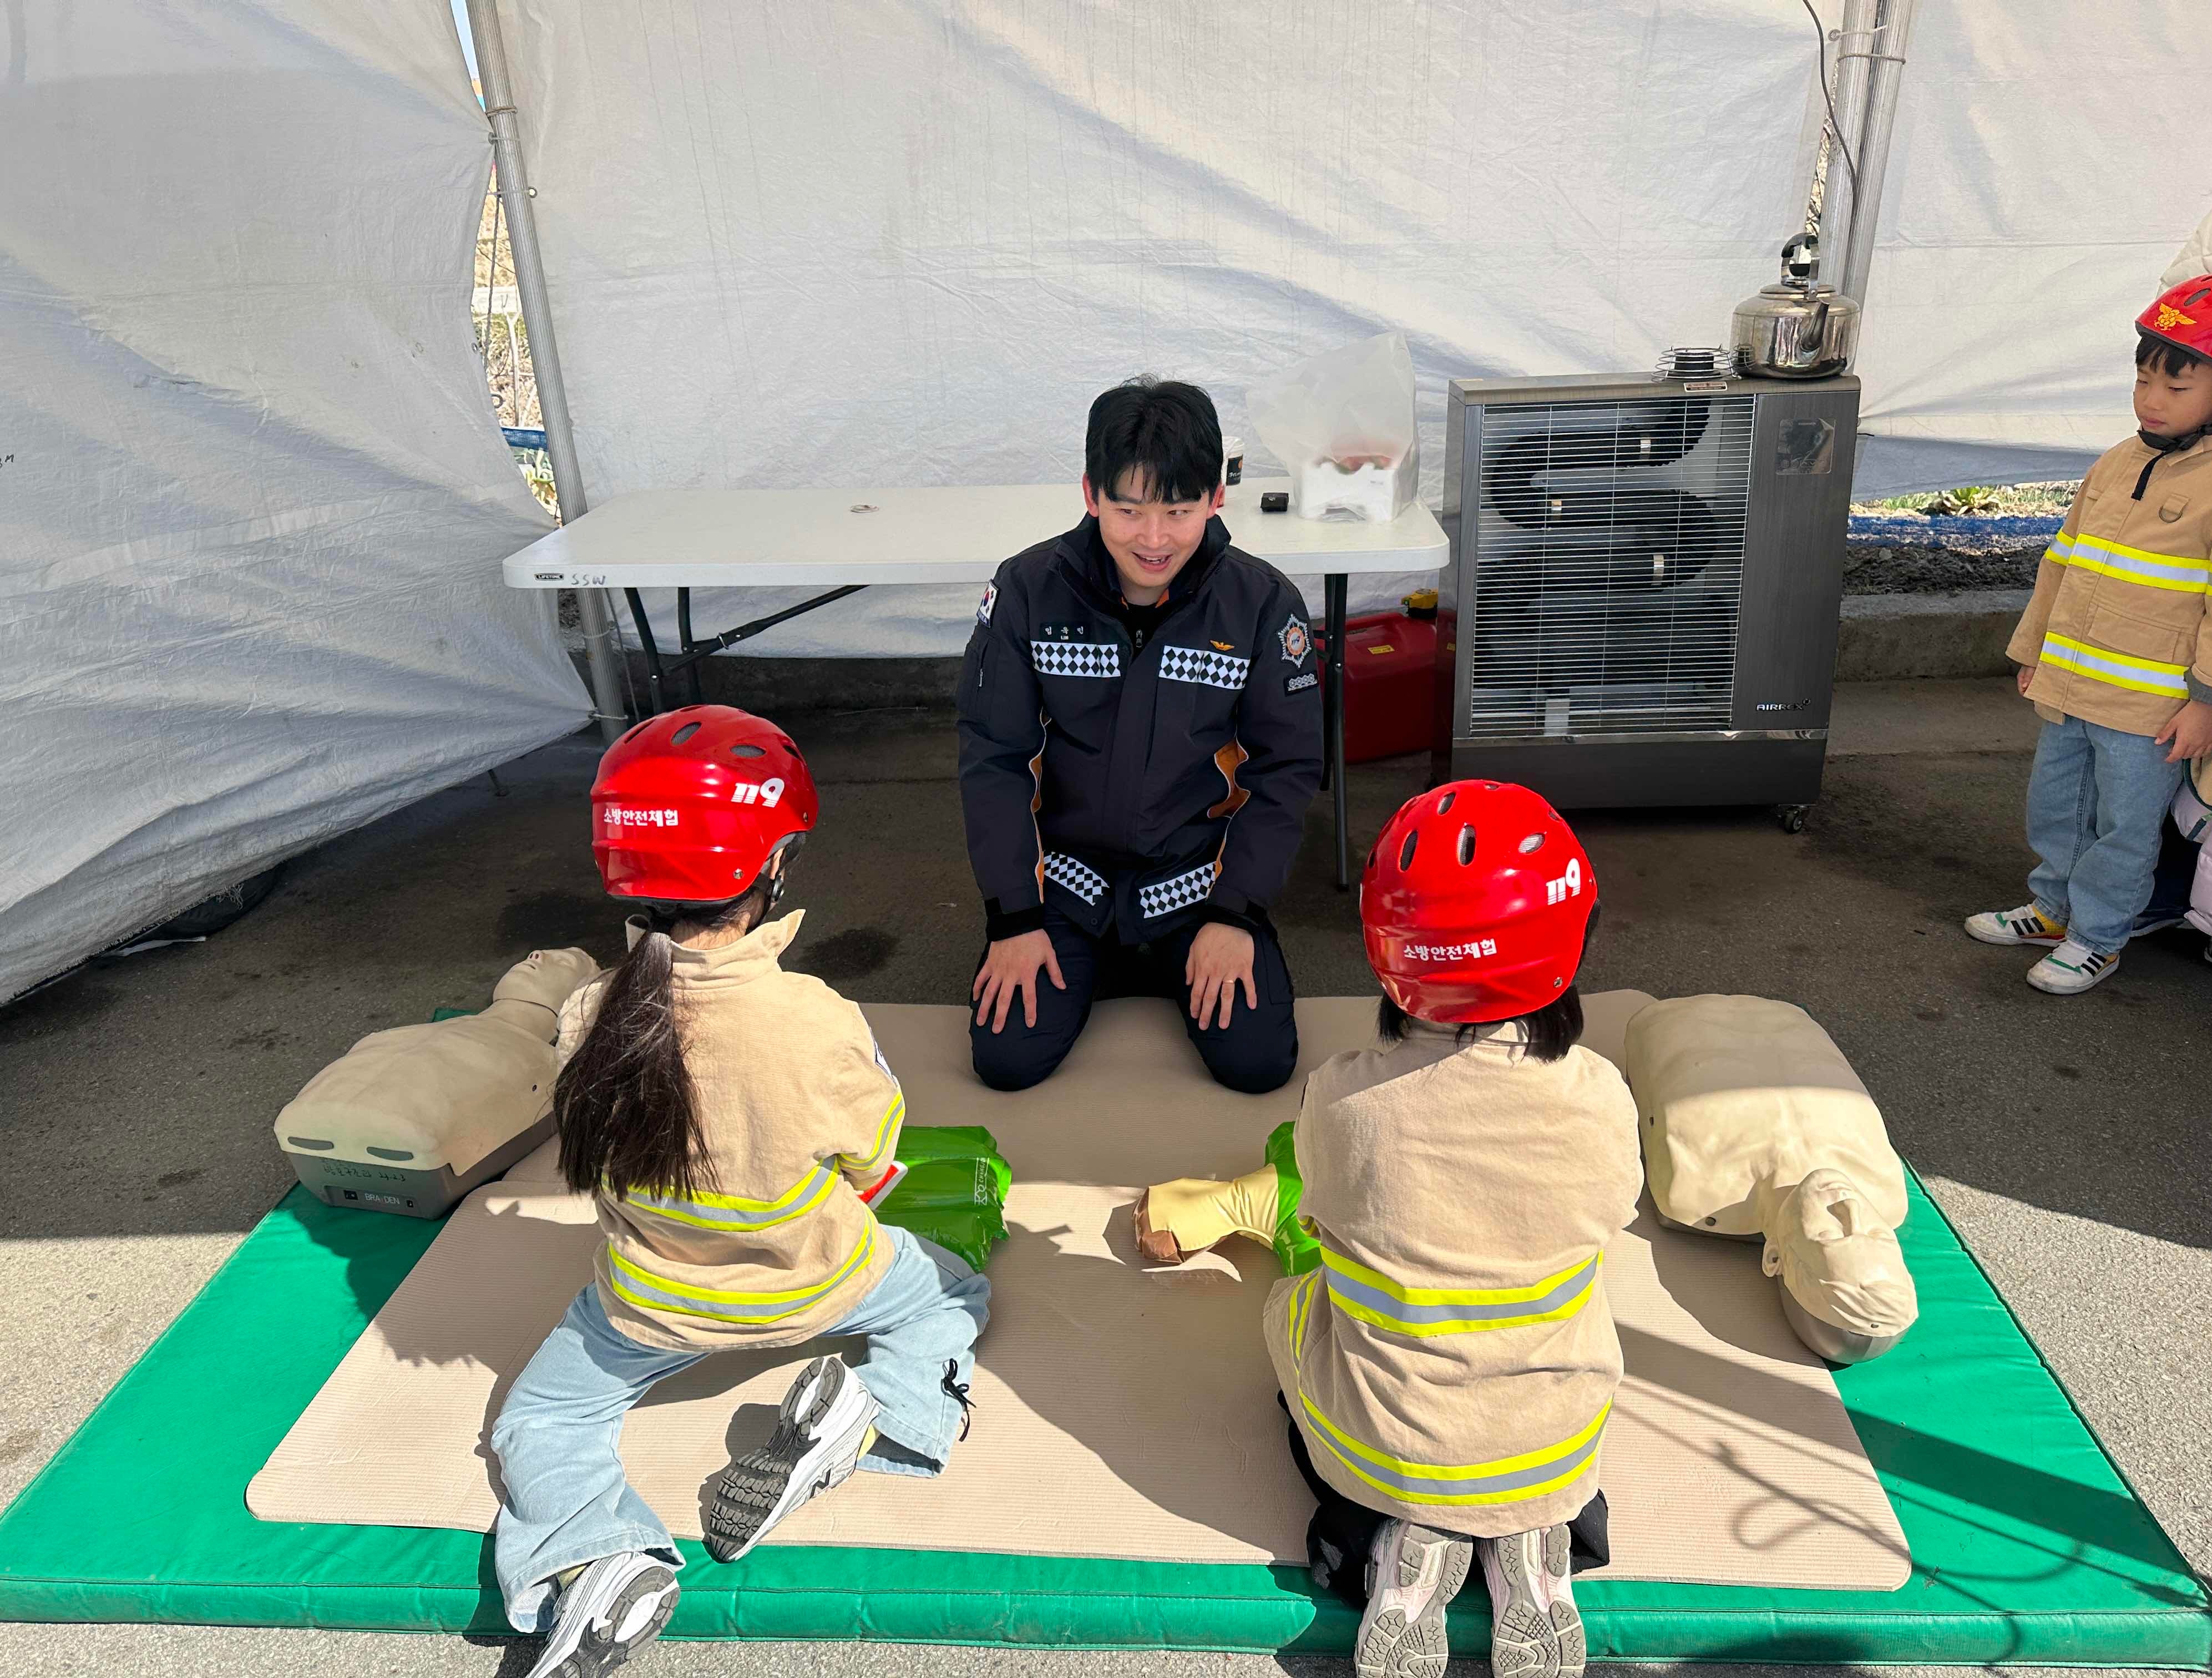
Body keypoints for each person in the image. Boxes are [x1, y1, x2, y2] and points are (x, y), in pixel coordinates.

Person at [492, 706, 990, 1678]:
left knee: (542, 1421)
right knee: (956, 1289)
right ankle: (880, 1412)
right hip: (822, 1282)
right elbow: (873, 1159)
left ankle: (599, 1553)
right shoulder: (814, 1016)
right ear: (772, 868)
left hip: (648, 1308)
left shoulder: (590, 1011)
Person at [1141, 781, 1639, 1678]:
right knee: (1574, 1298)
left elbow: (1320, 1215)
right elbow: (1614, 1209)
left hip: (1391, 1450)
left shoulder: (1342, 1097)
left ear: (1387, 955)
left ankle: (1409, 1539)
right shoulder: (1600, 1095)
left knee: (1290, 1305)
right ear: (1569, 940)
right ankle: (1530, 1542)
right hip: (1557, 1446)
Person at [958, 377, 1323, 1095]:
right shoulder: (1027, 589)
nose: (1153, 540)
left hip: (1197, 885)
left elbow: (1285, 770)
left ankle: (1164, 956)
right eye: (1127, 510)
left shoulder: (1262, 603)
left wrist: (1236, 913)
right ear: (1090, 494)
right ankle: (1104, 959)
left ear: (1216, 498)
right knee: (1006, 1061)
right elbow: (992, 758)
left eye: (1178, 511)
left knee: (1258, 1066)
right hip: (1066, 885)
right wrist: (1014, 917)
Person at [1966, 277, 2212, 993]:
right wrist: (2033, 651)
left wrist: (2207, 702)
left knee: (2124, 830)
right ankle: (2052, 908)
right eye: (2144, 379)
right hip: (2070, 685)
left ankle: (2098, 937)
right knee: (2054, 805)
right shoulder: (2117, 461)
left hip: (2150, 710)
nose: (2152, 399)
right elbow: (2064, 561)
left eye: (2177, 389)